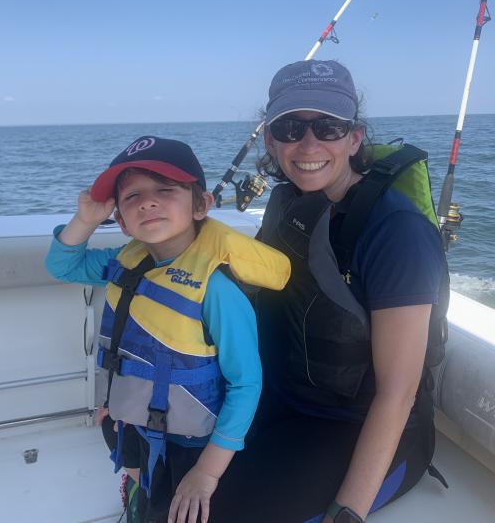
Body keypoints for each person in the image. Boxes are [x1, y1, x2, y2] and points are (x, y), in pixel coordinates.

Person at [210, 60, 448, 523]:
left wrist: (348, 513)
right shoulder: (290, 207)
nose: (309, 143)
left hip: (359, 426)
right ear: (270, 139)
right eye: (291, 127)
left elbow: (398, 393)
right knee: (178, 492)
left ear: (354, 138)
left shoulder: (396, 231)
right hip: (282, 401)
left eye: (329, 127)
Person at [45, 136, 290, 523]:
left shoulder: (216, 290)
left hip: (191, 443)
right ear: (122, 222)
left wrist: (207, 473)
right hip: (132, 418)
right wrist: (86, 220)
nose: (147, 201)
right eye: (132, 197)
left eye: (165, 189)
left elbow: (246, 384)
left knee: (174, 508)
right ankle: (136, 488)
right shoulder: (125, 261)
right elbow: (63, 265)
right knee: (128, 455)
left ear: (201, 205)